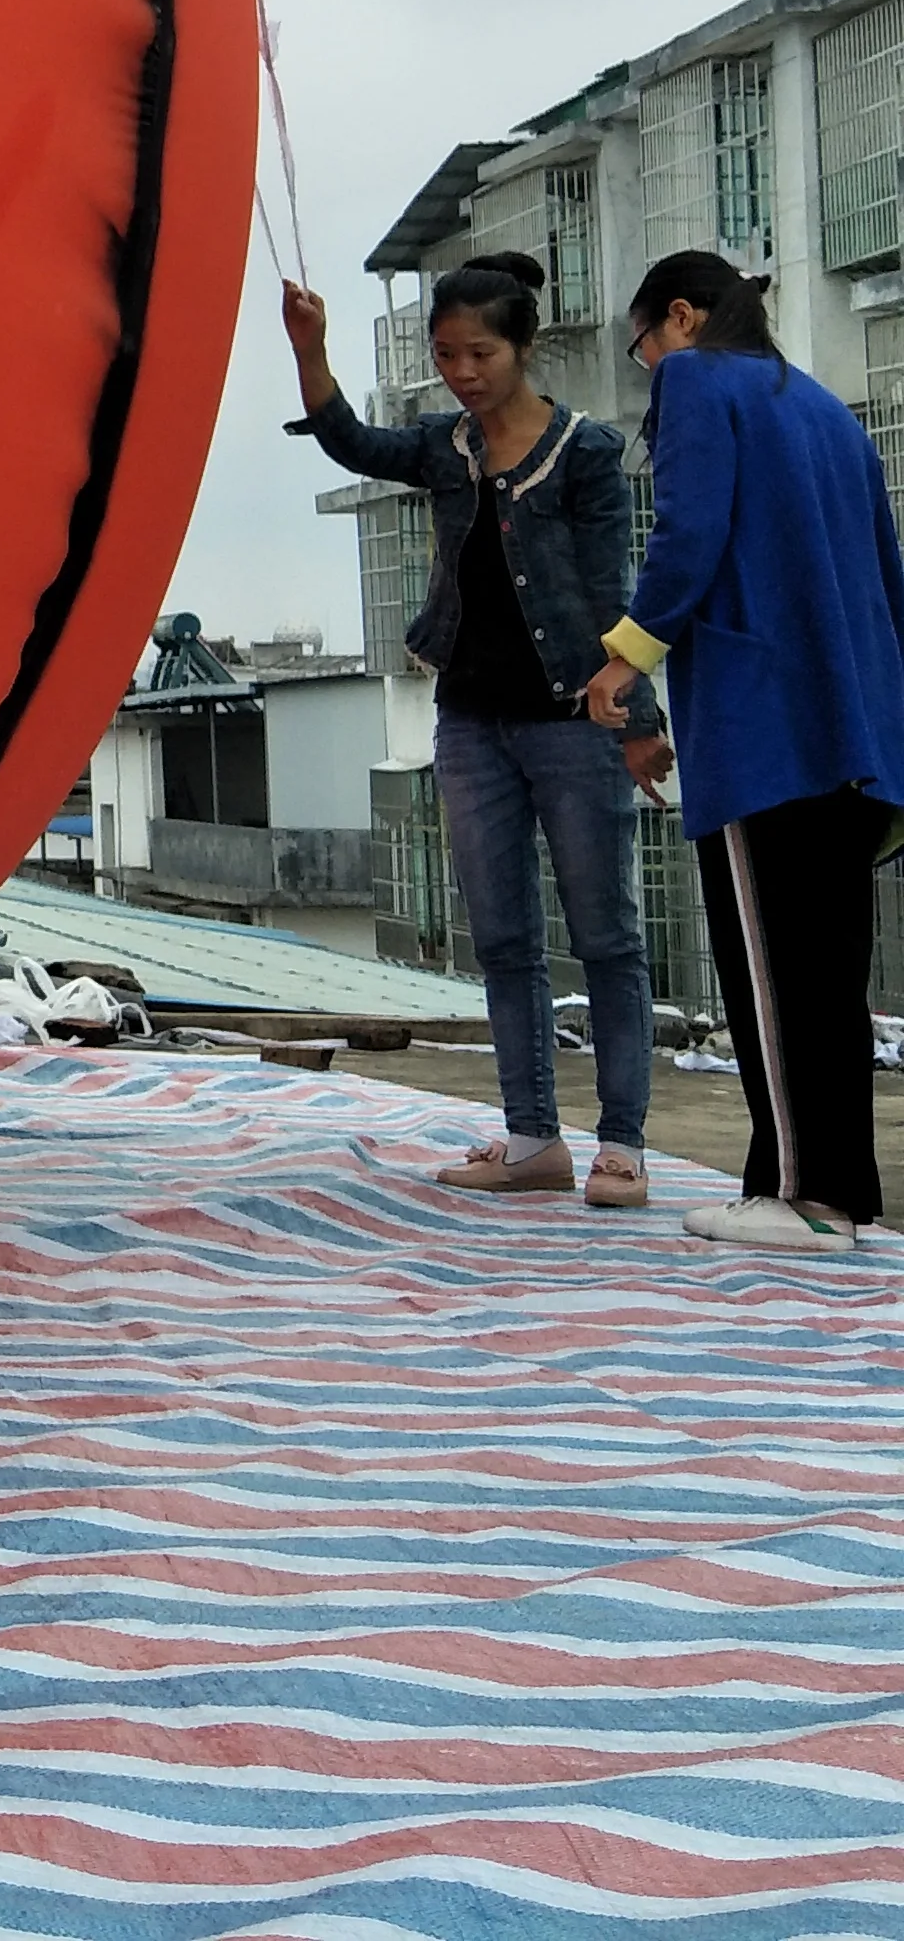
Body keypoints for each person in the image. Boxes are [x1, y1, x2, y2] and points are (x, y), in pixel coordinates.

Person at [281, 255, 666, 1209]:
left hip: (573, 720)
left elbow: (613, 592)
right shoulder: (445, 448)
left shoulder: (585, 453)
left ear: (523, 348)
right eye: (446, 353)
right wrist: (311, 350)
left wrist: (639, 724)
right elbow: (352, 443)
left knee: (607, 937)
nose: (462, 371)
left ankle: (622, 1146)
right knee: (501, 937)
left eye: (479, 352)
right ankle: (533, 1137)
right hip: (471, 723)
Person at [581, 251, 904, 1252]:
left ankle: (799, 1194)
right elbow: (889, 578)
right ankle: (837, 1198)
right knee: (828, 979)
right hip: (856, 734)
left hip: (768, 730)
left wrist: (623, 658)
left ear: (679, 317)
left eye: (642, 346)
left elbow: (687, 535)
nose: (648, 369)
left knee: (768, 972)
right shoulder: (826, 412)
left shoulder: (696, 380)